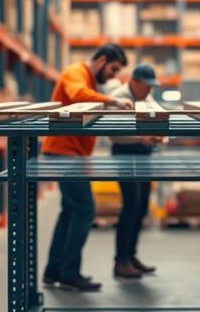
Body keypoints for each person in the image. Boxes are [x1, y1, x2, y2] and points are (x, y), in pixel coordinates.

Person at [42, 43, 133, 292]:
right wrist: (114, 101)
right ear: (102, 60)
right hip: (64, 154)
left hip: (72, 154)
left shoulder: (92, 83)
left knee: (70, 211)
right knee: (85, 210)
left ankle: (54, 271)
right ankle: (69, 273)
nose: (113, 76)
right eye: (113, 69)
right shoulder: (76, 72)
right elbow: (78, 95)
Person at [109, 64, 162, 279]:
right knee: (131, 205)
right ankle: (120, 261)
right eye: (147, 86)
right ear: (135, 82)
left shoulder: (146, 98)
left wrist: (161, 135)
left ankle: (131, 256)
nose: (150, 90)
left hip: (143, 155)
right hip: (125, 154)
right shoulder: (118, 98)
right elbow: (112, 133)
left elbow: (161, 116)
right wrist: (141, 138)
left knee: (141, 206)